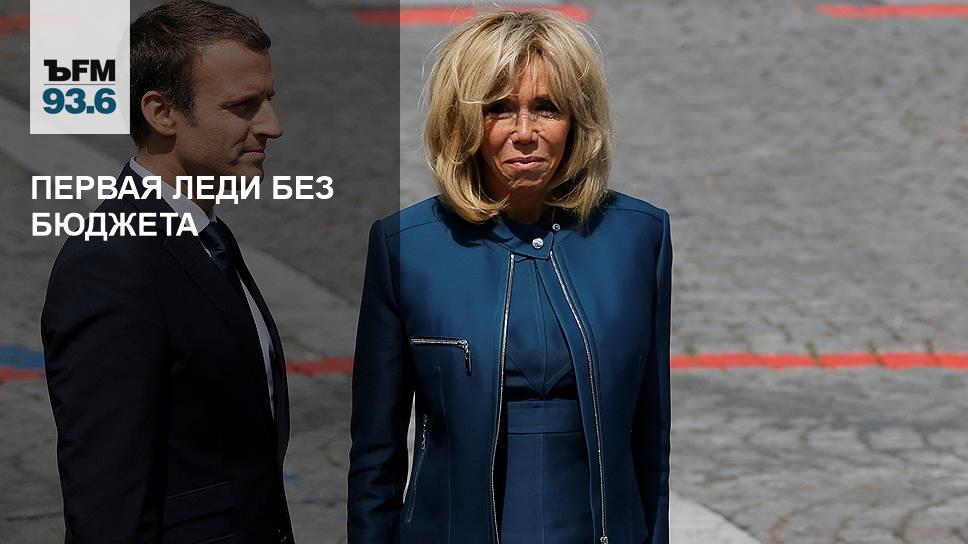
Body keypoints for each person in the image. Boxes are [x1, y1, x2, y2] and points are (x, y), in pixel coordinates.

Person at [348, 9, 672, 544]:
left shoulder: (639, 236)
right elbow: (374, 455)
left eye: (547, 108)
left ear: (578, 119)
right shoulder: (405, 245)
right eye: (498, 109)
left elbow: (651, 438)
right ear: (462, 122)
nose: (525, 133)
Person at [41, 2, 292, 542]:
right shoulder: (109, 264)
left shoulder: (208, 235)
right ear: (161, 113)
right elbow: (107, 497)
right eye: (244, 106)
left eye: (268, 100)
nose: (272, 126)